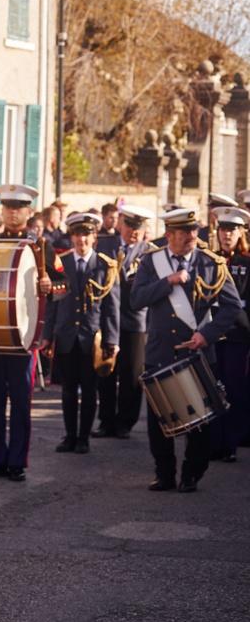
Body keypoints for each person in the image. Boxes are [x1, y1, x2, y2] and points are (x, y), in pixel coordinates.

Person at [130, 208, 242, 492]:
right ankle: (164, 473)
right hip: (160, 351)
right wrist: (167, 282)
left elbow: (231, 307)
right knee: (159, 421)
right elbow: (136, 299)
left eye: (194, 231)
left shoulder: (211, 263)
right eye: (184, 232)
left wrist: (208, 334)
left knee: (202, 421)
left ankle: (192, 472)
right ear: (169, 235)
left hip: (198, 353)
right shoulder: (151, 262)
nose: (191, 236)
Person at [0, 184, 68, 481]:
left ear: (29, 212)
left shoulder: (41, 247)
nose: (12, 212)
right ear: (2, 210)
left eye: (19, 207)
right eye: (7, 207)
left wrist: (49, 287)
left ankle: (17, 461)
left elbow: (64, 283)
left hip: (24, 336)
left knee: (19, 402)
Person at [41, 213, 120, 454]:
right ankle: (69, 435)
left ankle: (84, 436)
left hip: (91, 338)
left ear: (94, 237)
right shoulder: (60, 263)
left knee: (88, 390)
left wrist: (112, 339)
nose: (80, 240)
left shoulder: (105, 266)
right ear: (71, 237)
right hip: (66, 336)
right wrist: (47, 335)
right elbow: (53, 302)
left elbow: (111, 306)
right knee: (67, 390)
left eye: (85, 235)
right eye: (76, 235)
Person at [92, 205, 154, 440]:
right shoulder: (104, 245)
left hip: (136, 319)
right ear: (121, 224)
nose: (133, 232)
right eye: (129, 226)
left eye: (138, 228)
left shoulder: (149, 252)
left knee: (131, 374)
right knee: (106, 371)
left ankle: (125, 422)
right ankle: (106, 421)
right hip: (108, 317)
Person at [207, 206, 250, 462]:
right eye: (223, 229)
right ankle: (213, 442)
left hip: (238, 334)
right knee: (211, 389)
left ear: (241, 232)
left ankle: (230, 444)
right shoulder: (208, 259)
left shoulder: (246, 262)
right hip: (211, 334)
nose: (227, 234)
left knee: (234, 391)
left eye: (232, 229)